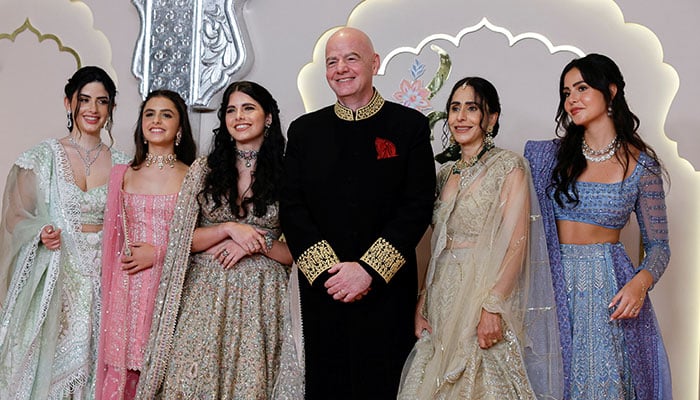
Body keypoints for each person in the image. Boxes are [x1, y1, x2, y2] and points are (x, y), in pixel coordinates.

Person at [279, 27, 436, 399]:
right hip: (324, 289)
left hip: (387, 290)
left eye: (351, 58)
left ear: (374, 63)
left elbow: (415, 207)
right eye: (332, 61)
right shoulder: (304, 131)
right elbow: (292, 208)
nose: (341, 68)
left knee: (384, 385)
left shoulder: (409, 126)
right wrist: (329, 273)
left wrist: (368, 271)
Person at [135, 81, 303, 399]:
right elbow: (182, 239)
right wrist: (229, 229)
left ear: (268, 117)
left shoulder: (289, 173)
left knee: (250, 386)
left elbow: (297, 252)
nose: (238, 116)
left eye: (248, 108)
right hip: (204, 296)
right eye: (231, 110)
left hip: (261, 302)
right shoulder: (205, 170)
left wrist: (257, 242)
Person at [397, 77, 562, 399]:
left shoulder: (509, 166)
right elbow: (438, 243)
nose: (460, 117)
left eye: (472, 108)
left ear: (492, 117)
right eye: (455, 109)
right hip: (442, 292)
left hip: (482, 290)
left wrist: (492, 307)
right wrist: (423, 301)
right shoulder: (445, 173)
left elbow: (517, 242)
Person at [524, 53, 672, 399]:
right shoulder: (547, 158)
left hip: (607, 287)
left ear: (612, 91)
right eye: (566, 92)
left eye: (582, 88)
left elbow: (660, 247)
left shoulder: (641, 166)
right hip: (551, 282)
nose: (572, 99)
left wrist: (640, 283)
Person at [0, 66, 129, 398]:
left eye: (102, 102)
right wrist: (40, 232)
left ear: (112, 108)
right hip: (56, 278)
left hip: (104, 282)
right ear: (68, 102)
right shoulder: (42, 157)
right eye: (84, 100)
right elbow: (15, 217)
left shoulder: (124, 164)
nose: (92, 109)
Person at [95, 89, 196, 399]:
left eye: (167, 114)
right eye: (149, 114)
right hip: (126, 289)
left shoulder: (193, 176)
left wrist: (161, 254)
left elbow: (199, 238)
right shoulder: (122, 174)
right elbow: (112, 241)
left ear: (179, 128)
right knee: (124, 373)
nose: (156, 120)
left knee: (164, 371)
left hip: (172, 287)